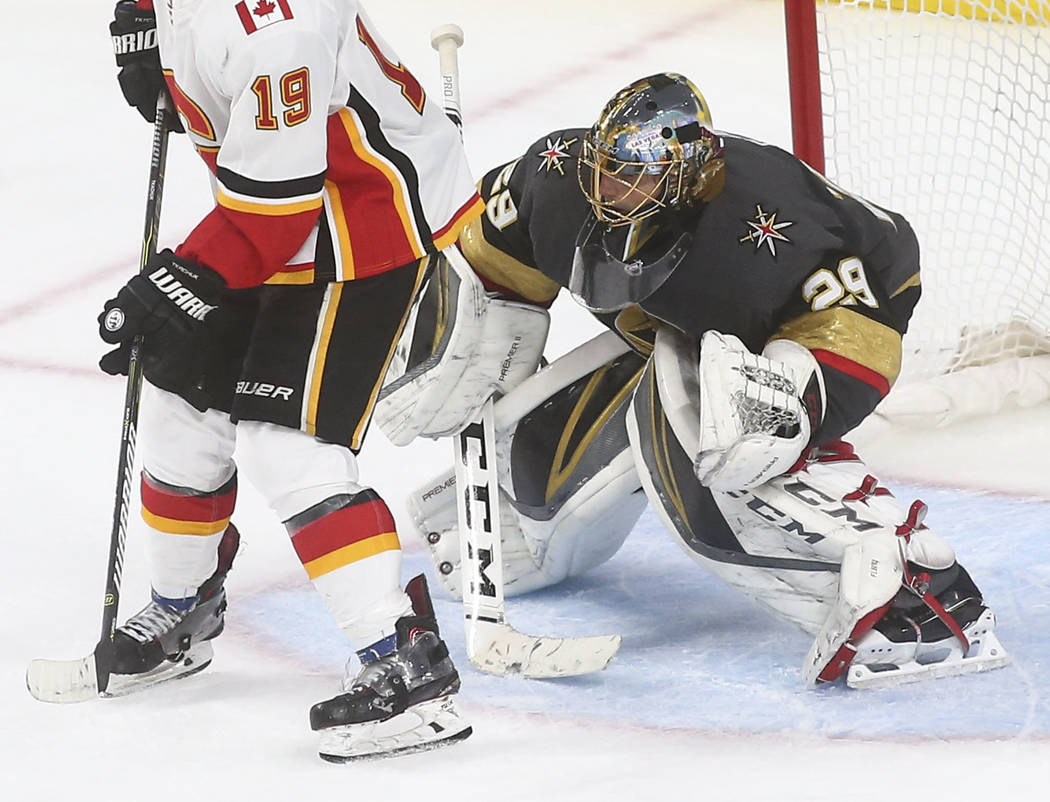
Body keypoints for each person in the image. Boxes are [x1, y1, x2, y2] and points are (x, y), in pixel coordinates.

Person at [374, 72, 1011, 687]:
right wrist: (460, 339)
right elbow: (485, 265)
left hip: (844, 308)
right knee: (606, 427)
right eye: (606, 168)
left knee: (738, 434)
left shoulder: (767, 228)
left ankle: (913, 592)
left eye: (637, 178)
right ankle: (516, 517)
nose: (610, 190)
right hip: (679, 329)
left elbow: (857, 320)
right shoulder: (557, 180)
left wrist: (786, 403)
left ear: (692, 178)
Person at [101, 0, 481, 760]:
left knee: (289, 445)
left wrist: (174, 284)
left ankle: (404, 668)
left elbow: (272, 220)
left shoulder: (279, 31)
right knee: (180, 402)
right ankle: (186, 608)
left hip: (367, 223)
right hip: (279, 199)